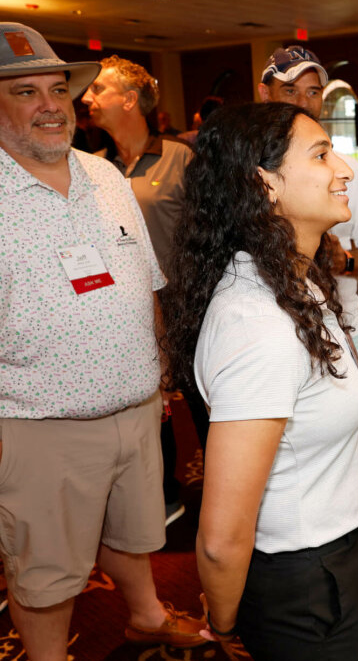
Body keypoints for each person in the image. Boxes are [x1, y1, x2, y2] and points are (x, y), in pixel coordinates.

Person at [0, 22, 206, 658]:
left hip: (136, 407)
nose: (51, 106)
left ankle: (145, 615)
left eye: (59, 90)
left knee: (134, 530)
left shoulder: (105, 176)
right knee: (45, 570)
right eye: (26, 92)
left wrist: (160, 374)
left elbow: (145, 280)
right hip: (40, 423)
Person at [161, 102, 358, 659]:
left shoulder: (290, 277)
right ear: (267, 184)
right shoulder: (259, 325)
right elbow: (220, 538)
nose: (344, 170)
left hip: (323, 559)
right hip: (301, 586)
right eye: (321, 155)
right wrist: (225, 623)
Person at [258, 43, 358, 597]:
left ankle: (351, 544)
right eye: (289, 89)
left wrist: (341, 260)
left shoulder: (342, 170)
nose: (303, 101)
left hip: (339, 327)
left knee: (343, 443)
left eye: (312, 91)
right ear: (266, 93)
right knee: (268, 453)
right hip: (270, 332)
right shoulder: (243, 173)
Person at [82, 56, 208, 520]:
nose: (86, 98)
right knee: (149, 406)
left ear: (130, 100)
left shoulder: (180, 158)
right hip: (127, 315)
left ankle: (230, 496)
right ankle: (164, 496)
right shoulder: (93, 167)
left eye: (99, 89)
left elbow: (210, 233)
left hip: (187, 311)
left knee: (204, 406)